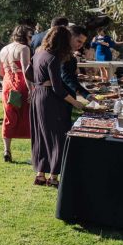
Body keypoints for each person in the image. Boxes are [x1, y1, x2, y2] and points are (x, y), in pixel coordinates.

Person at [28, 25, 86, 187]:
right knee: (57, 137)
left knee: (41, 135)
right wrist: (77, 103)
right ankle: (53, 177)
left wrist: (40, 82)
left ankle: (40, 175)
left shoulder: (39, 52)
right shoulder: (53, 57)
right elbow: (58, 89)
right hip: (49, 99)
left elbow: (30, 72)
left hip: (37, 95)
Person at [0, 25, 32, 163]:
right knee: (29, 117)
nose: (31, 39)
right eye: (30, 36)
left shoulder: (3, 49)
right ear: (24, 36)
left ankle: (7, 150)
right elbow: (26, 70)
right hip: (21, 85)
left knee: (9, 117)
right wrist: (31, 88)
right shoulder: (24, 49)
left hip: (7, 85)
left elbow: (0, 72)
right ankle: (34, 152)